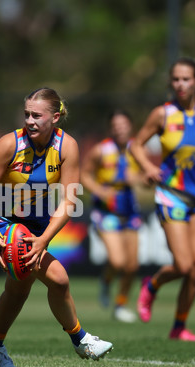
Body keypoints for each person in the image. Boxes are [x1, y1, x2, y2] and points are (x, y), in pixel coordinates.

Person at [0, 87, 113, 367]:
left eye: (37, 115)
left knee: (18, 289)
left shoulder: (67, 147)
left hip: (37, 223)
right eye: (27, 114)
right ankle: (80, 339)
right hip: (2, 220)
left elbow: (68, 202)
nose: (30, 121)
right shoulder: (8, 144)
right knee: (59, 279)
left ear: (55, 117)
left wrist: (43, 239)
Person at [129, 57, 195, 341]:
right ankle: (152, 285)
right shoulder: (162, 115)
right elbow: (136, 145)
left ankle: (179, 327)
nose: (180, 84)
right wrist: (148, 167)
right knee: (184, 265)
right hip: (171, 195)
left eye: (186, 79)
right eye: (176, 79)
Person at [81, 110, 144, 323]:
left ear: (131, 127)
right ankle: (106, 282)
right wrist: (99, 190)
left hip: (130, 209)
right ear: (111, 129)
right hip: (106, 211)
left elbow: (147, 176)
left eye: (124, 124)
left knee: (132, 266)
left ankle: (121, 305)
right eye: (116, 125)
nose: (120, 129)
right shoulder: (101, 150)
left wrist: (138, 178)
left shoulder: (137, 150)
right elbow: (85, 174)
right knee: (117, 261)